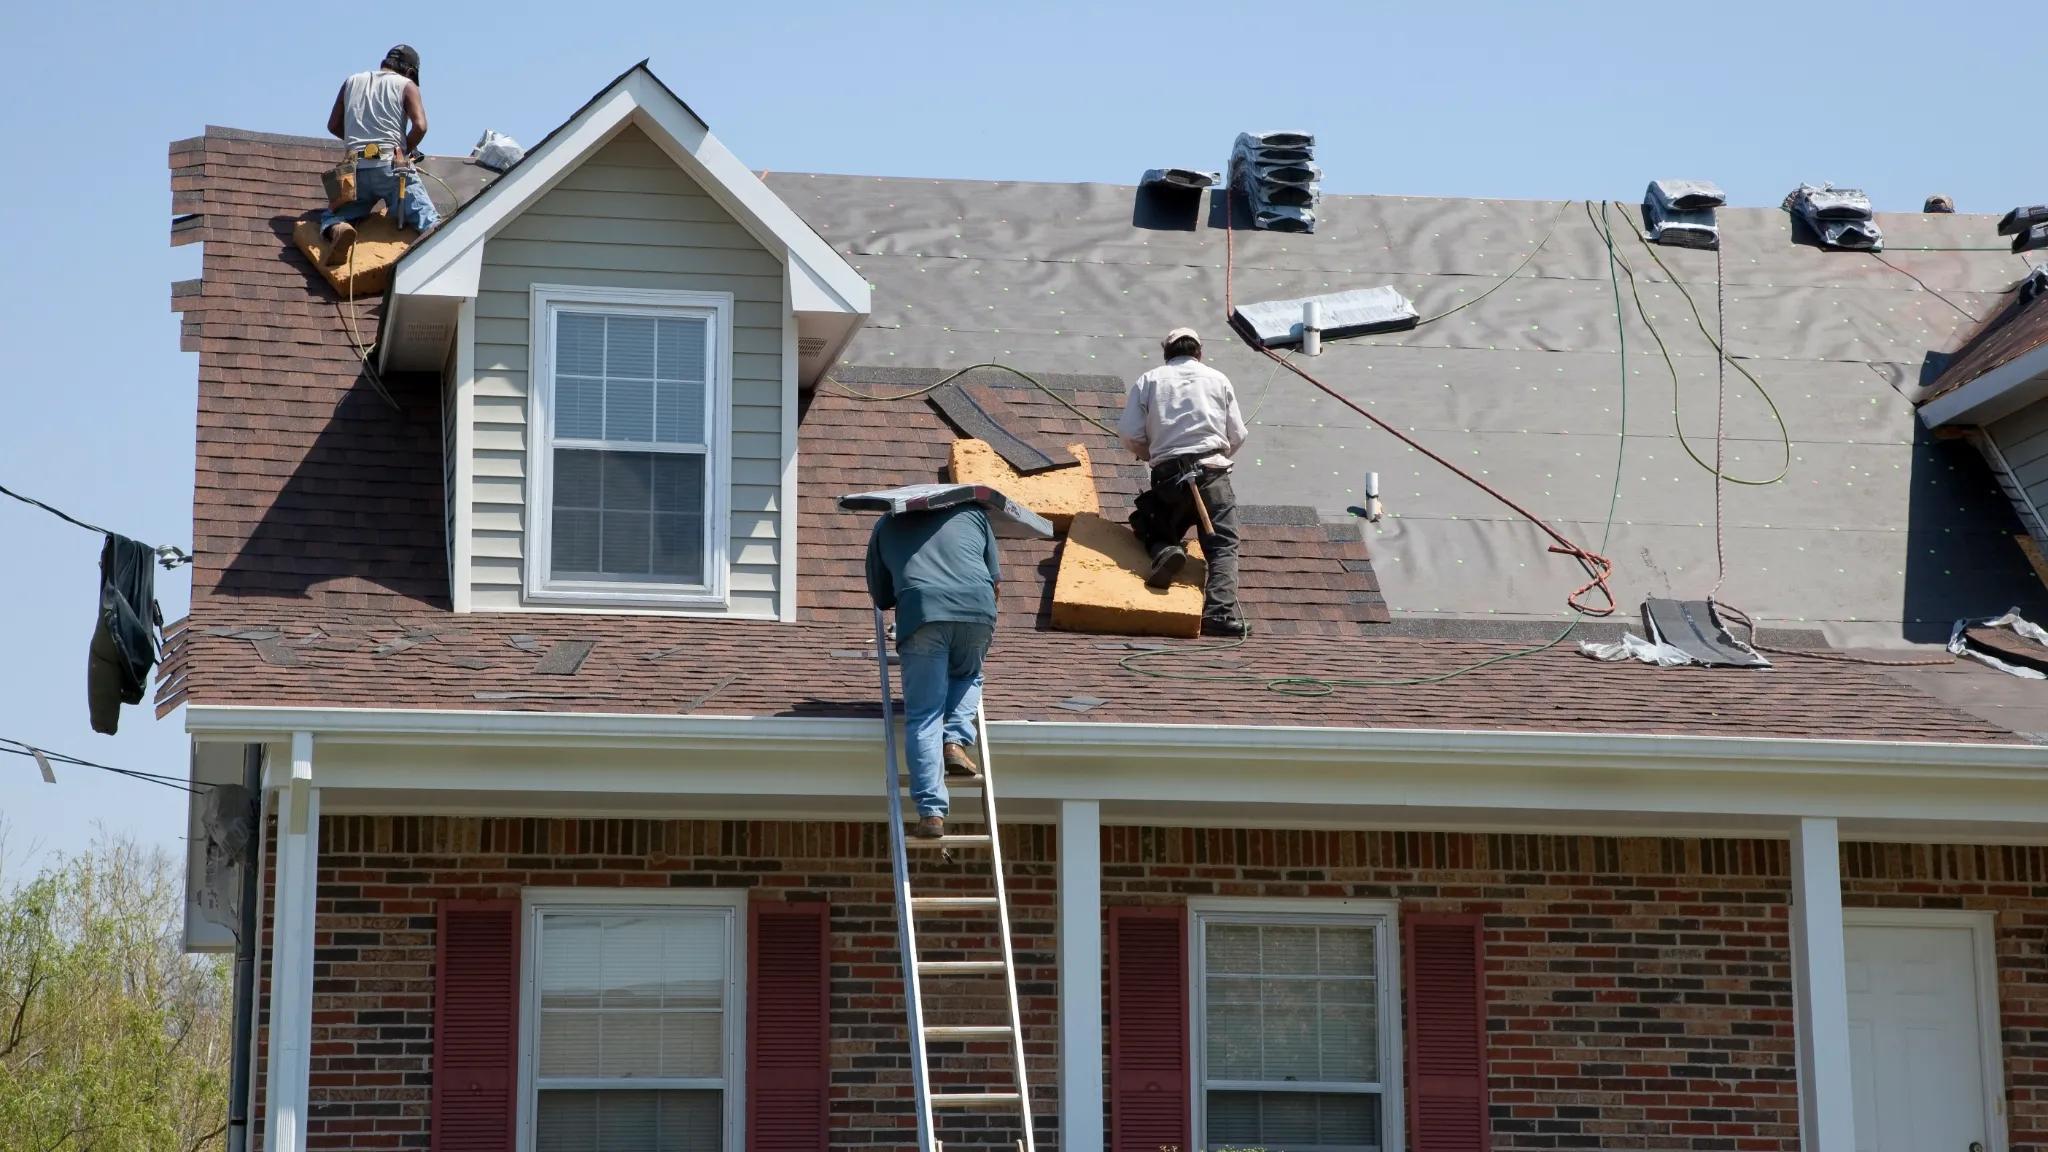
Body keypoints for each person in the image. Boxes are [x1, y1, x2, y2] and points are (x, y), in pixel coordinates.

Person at [865, 503, 1003, 838]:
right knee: (968, 675)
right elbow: (996, 583)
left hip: (923, 611)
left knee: (925, 714)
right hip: (977, 606)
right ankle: (955, 741)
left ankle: (931, 813)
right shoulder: (973, 514)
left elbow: (882, 597)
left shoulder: (887, 523)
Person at [1119, 326, 1248, 637]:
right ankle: (1218, 613)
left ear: (1167, 355)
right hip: (1212, 473)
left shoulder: (1149, 380)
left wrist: (1153, 455)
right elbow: (1238, 434)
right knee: (1222, 544)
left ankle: (1164, 548)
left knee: (1151, 524)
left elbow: (1129, 433)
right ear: (1199, 353)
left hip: (1169, 477)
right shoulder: (1218, 379)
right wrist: (1215, 455)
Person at [320, 45, 437, 266]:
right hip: (390, 166)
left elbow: (333, 125)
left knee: (332, 216)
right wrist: (405, 149)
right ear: (410, 71)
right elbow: (420, 126)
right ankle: (416, 264)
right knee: (429, 221)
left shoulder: (351, 81)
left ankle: (339, 229)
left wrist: (356, 142)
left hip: (353, 169)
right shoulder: (407, 85)